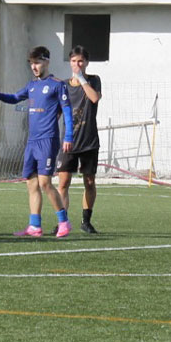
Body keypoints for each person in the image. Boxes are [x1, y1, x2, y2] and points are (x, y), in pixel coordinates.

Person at [0, 46, 75, 237]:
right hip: (32, 141)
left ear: (46, 62)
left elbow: (67, 113)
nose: (34, 67)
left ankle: (64, 222)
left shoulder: (57, 85)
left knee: (45, 183)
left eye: (37, 62)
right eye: (32, 63)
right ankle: (34, 226)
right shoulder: (31, 86)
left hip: (48, 140)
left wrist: (68, 136)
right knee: (31, 183)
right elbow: (15, 98)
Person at [55, 45, 103, 234]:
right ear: (69, 62)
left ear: (87, 62)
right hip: (69, 141)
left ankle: (86, 220)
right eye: (74, 61)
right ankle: (62, 222)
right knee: (63, 183)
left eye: (81, 61)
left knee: (89, 181)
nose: (77, 64)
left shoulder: (94, 80)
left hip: (89, 140)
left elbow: (94, 98)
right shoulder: (64, 85)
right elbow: (57, 112)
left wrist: (82, 79)